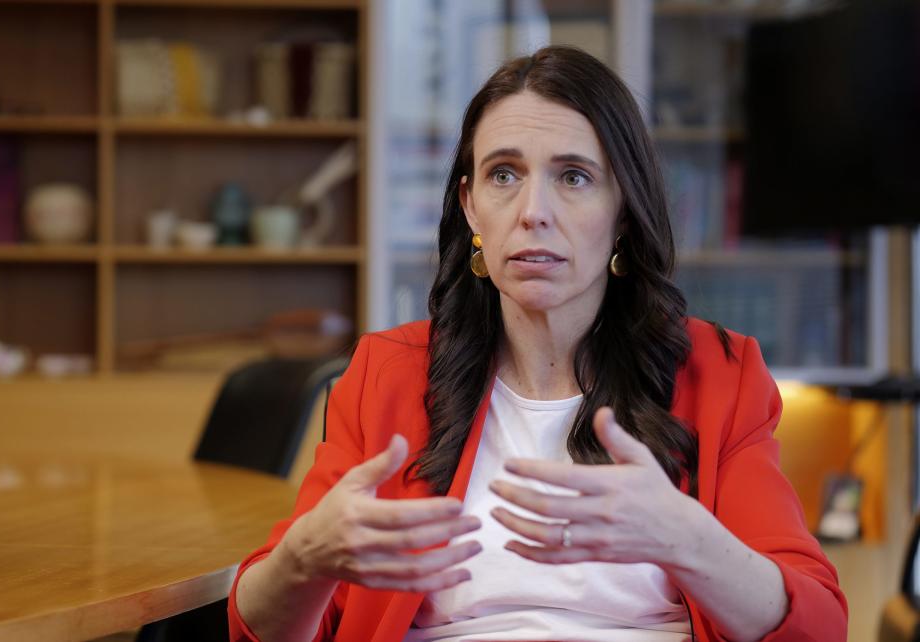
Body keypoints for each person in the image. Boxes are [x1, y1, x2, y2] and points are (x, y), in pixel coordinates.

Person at [229, 46, 847, 642]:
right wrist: (304, 559)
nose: (533, 212)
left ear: (623, 212)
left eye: (574, 176)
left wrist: (686, 538)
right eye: (504, 174)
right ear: (471, 206)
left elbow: (817, 625)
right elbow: (259, 628)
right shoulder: (387, 373)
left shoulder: (721, 374)